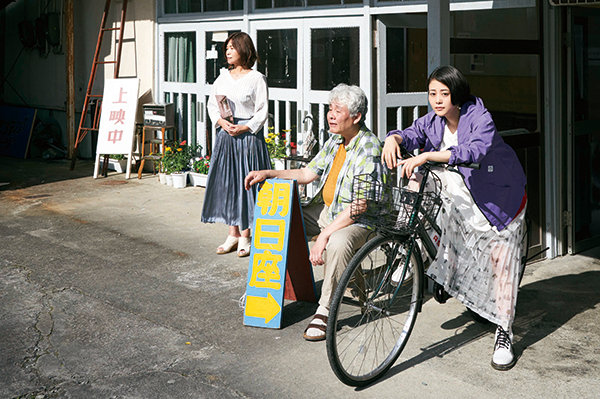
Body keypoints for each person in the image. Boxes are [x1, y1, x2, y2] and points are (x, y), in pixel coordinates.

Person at [383, 65, 527, 371]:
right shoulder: (434, 120)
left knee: (501, 263)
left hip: (497, 198)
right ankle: (406, 248)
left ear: (457, 94)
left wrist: (426, 155)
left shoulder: (478, 115)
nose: (437, 100)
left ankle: (504, 332)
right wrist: (393, 139)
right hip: (464, 192)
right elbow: (412, 133)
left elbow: (475, 151)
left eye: (443, 94)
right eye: (432, 93)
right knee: (419, 178)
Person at [245, 84, 387, 341]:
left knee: (337, 242)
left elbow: (361, 205)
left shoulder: (369, 147)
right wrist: (268, 173)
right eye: (330, 109)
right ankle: (265, 289)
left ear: (356, 117)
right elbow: (307, 174)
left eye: (338, 110)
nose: (331, 115)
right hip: (330, 210)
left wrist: (323, 236)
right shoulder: (335, 141)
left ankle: (325, 309)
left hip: (361, 220)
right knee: (282, 218)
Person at [201, 32, 270, 258]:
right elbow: (213, 106)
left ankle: (246, 236)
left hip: (248, 137)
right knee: (227, 184)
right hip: (226, 135)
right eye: (226, 48)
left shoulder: (256, 78)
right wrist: (221, 122)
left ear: (244, 50)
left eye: (232, 47)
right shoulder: (222, 78)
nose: (228, 52)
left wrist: (245, 127)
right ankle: (232, 233)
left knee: (246, 184)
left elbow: (262, 111)